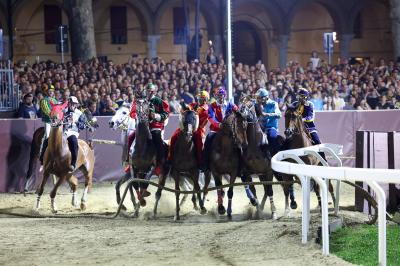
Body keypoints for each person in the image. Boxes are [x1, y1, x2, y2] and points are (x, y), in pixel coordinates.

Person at [168, 90, 210, 168]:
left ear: (206, 100)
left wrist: (195, 127)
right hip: (187, 127)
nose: (200, 100)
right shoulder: (193, 105)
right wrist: (183, 106)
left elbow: (203, 122)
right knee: (173, 137)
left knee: (199, 142)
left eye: (202, 98)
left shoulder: (207, 110)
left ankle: (200, 162)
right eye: (199, 98)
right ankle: (170, 159)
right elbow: (186, 109)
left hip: (198, 128)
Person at [203, 87, 238, 169]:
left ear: (224, 96)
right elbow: (211, 118)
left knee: (239, 142)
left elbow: (237, 113)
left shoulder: (231, 105)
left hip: (229, 130)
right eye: (218, 95)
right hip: (216, 130)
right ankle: (205, 164)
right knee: (208, 140)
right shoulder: (212, 106)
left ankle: (242, 166)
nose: (220, 97)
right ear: (216, 96)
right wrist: (219, 125)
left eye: (222, 95)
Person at [147, 83, 170, 167]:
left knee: (156, 137)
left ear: (154, 92)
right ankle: (129, 159)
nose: (149, 93)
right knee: (131, 136)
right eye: (147, 91)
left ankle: (161, 161)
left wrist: (156, 116)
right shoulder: (142, 101)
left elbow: (166, 114)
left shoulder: (158, 101)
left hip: (155, 125)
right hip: (143, 125)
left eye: (150, 91)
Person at [63, 96, 88, 173]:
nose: (72, 105)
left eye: (74, 104)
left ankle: (73, 164)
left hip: (72, 132)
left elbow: (83, 125)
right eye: (71, 104)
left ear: (76, 105)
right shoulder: (63, 111)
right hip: (62, 131)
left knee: (73, 142)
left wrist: (75, 122)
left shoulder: (80, 113)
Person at [254, 88, 281, 154]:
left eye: (259, 98)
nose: (258, 99)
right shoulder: (256, 104)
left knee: (272, 137)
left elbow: (279, 115)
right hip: (259, 127)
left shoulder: (273, 104)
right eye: (257, 98)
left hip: (271, 127)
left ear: (266, 97)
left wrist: (267, 114)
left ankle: (274, 155)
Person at [39, 84, 58, 165]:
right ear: (46, 92)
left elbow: (58, 110)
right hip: (48, 122)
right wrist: (54, 116)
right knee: (47, 136)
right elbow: (47, 111)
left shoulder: (55, 101)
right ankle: (42, 154)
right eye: (49, 91)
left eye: (52, 91)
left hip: (56, 121)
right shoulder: (44, 100)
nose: (51, 92)